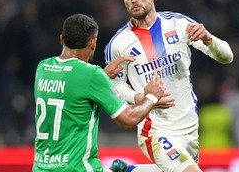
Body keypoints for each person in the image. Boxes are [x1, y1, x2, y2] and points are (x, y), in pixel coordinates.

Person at [105, 0, 234, 172]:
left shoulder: (179, 24)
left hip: (189, 127)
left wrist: (208, 39)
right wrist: (140, 98)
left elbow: (227, 57)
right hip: (155, 131)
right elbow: (113, 87)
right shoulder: (119, 43)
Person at [32, 13, 171, 172]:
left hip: (41, 168)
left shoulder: (43, 68)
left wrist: (102, 78)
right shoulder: (91, 75)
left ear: (62, 39)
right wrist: (152, 96)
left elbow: (69, 90)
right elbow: (128, 119)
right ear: (93, 43)